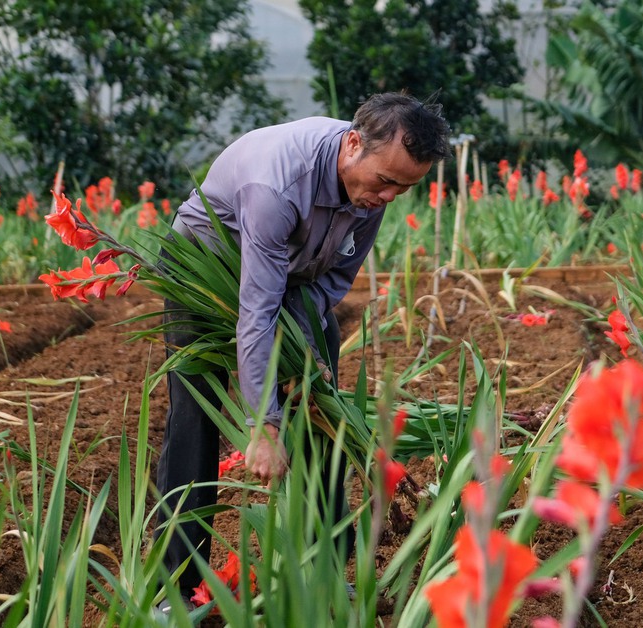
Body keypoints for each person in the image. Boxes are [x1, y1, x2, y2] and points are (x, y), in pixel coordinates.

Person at [154, 92, 451, 611]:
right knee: (194, 421)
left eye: (404, 188)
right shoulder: (277, 186)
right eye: (385, 181)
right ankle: (176, 591)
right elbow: (256, 312)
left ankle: (326, 576)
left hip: (289, 284)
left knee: (320, 412)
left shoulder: (372, 190)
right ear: (353, 144)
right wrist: (263, 426)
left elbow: (331, 281)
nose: (389, 196)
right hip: (205, 274)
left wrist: (305, 349)